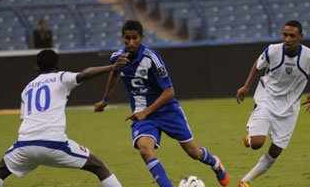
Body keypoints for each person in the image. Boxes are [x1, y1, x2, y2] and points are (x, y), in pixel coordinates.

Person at [94, 20, 230, 187]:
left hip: (167, 111)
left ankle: (215, 163)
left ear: (141, 38)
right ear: (122, 38)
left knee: (193, 152)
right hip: (142, 114)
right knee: (145, 149)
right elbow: (114, 73)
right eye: (127, 38)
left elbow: (169, 91)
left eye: (134, 38)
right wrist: (105, 100)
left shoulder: (152, 58)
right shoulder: (117, 57)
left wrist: (146, 111)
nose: (130, 42)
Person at [0, 49, 129, 187]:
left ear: (37, 66)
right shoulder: (60, 77)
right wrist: (112, 67)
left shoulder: (27, 89)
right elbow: (85, 74)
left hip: (24, 144)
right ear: (57, 64)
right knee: (98, 167)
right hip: (53, 143)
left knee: (0, 171)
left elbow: (25, 118)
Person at [236, 20, 310, 187]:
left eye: (292, 35)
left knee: (276, 151)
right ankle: (250, 136)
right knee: (257, 144)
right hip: (267, 99)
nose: (287, 39)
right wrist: (246, 86)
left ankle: (244, 181)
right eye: (285, 35)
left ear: (301, 37)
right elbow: (257, 65)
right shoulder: (272, 50)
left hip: (290, 108)